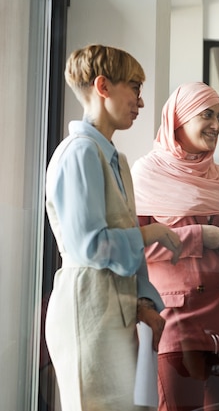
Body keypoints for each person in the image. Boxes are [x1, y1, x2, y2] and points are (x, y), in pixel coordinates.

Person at [45, 44, 183, 411]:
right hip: (86, 307)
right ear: (103, 86)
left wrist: (143, 302)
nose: (140, 101)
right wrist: (150, 233)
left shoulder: (117, 160)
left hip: (117, 309)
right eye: (134, 87)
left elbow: (120, 242)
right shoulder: (79, 152)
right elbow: (89, 246)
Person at [131, 81, 219, 411]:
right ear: (179, 118)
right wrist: (197, 237)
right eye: (207, 115)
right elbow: (133, 249)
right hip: (178, 318)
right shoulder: (147, 174)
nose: (216, 125)